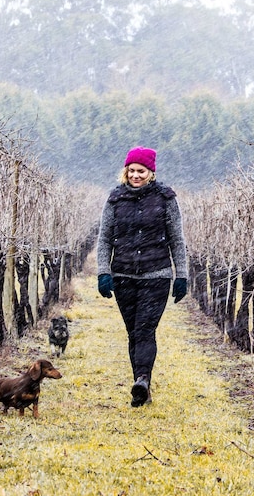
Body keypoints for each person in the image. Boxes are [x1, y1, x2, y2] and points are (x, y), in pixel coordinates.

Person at [96, 146, 188, 407]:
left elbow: (176, 240)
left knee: (145, 329)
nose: (136, 175)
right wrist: (104, 272)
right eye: (132, 171)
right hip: (123, 275)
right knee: (133, 333)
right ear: (125, 172)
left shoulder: (165, 198)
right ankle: (142, 385)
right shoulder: (115, 199)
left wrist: (181, 274)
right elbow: (104, 240)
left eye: (141, 171)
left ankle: (142, 379)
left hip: (156, 275)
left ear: (151, 173)